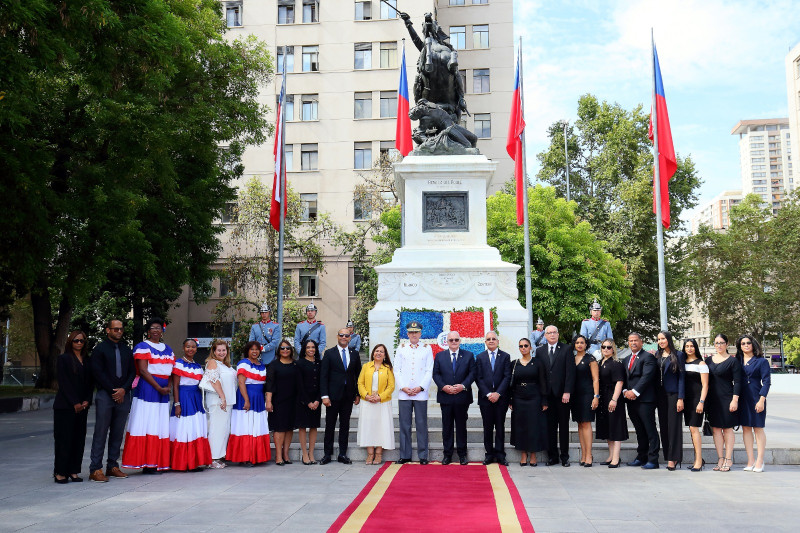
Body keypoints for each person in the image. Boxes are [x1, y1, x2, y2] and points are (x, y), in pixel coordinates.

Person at [122, 318, 175, 474]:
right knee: (146, 423)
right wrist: (159, 387)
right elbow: (144, 371)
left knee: (159, 424)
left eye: (159, 328)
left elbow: (171, 371)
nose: (156, 330)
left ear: (162, 331)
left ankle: (157, 461)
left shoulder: (168, 349)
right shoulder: (142, 347)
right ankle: (145, 462)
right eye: (153, 328)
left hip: (163, 390)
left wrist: (168, 386)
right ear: (148, 330)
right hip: (148, 389)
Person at [89, 319, 136, 482]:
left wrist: (124, 389)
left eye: (121, 329)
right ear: (108, 330)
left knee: (117, 431)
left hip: (123, 395)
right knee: (101, 432)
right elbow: (97, 372)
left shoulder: (126, 349)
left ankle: (112, 466)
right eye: (115, 329)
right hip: (105, 395)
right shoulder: (99, 349)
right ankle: (95, 469)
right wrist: (113, 390)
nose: (119, 332)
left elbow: (132, 372)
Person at [53, 330, 94, 483]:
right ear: (70, 342)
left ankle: (73, 470)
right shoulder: (63, 359)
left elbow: (91, 383)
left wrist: (86, 401)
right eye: (76, 340)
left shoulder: (87, 360)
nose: (78, 343)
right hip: (65, 406)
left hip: (83, 407)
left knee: (78, 439)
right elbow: (63, 382)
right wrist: (74, 402)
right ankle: (60, 472)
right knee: (64, 439)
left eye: (81, 341)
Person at [394, 320, 434, 464]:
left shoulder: (426, 348)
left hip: (420, 393)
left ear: (420, 333)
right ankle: (405, 455)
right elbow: (396, 370)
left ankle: (423, 455)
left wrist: (421, 387)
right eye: (411, 332)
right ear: (407, 333)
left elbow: (430, 369)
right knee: (404, 424)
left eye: (416, 332)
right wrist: (403, 387)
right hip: (404, 393)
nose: (414, 334)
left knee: (421, 424)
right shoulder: (401, 348)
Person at [432, 331, 475, 465]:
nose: (454, 342)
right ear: (447, 342)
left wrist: (463, 386)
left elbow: (472, 373)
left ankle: (462, 454)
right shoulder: (440, 356)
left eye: (456, 340)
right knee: (447, 427)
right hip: (446, 397)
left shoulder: (468, 355)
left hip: (462, 396)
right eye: (451, 340)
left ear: (460, 341)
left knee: (461, 427)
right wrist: (443, 386)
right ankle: (447, 455)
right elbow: (436, 374)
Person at [320, 328, 362, 464]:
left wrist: (357, 394)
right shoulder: (329, 353)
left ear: (350, 338)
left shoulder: (354, 354)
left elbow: (358, 376)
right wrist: (324, 395)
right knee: (330, 425)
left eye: (347, 335)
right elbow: (324, 376)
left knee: (345, 425)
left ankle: (342, 454)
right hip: (332, 396)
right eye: (341, 335)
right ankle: (327, 454)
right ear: (337, 336)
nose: (344, 337)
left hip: (348, 396)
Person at [169, 339, 212, 471]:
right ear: (183, 348)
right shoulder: (178, 364)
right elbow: (175, 386)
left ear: (196, 349)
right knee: (184, 428)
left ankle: (193, 462)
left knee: (194, 429)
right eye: (188, 346)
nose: (190, 349)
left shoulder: (199, 366)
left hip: (196, 398)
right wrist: (177, 404)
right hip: (184, 397)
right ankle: (182, 463)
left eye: (193, 347)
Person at [227, 341, 271, 466]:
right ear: (247, 351)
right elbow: (241, 383)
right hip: (246, 396)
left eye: (257, 349)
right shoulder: (243, 364)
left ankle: (256, 456)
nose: (254, 351)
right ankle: (245, 457)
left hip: (258, 398)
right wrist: (246, 400)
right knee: (245, 426)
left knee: (256, 426)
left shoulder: (261, 365)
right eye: (252, 349)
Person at [535, 325, 574, 466]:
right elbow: (540, 374)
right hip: (547, 396)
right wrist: (541, 396)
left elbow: (570, 372)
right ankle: (552, 456)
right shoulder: (539, 351)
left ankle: (564, 457)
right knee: (549, 428)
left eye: (554, 332)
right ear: (545, 335)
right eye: (549, 333)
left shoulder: (566, 349)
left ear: (558, 334)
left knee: (563, 427)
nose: (552, 335)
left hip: (562, 395)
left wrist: (567, 391)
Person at [622, 332, 660, 469]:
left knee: (650, 430)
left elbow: (647, 377)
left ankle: (653, 459)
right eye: (630, 340)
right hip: (631, 400)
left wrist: (635, 392)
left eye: (636, 340)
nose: (633, 343)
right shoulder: (626, 360)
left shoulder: (648, 357)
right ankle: (641, 457)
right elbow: (625, 378)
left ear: (641, 342)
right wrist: (625, 391)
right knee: (639, 430)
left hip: (645, 400)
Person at [509, 338, 549, 467]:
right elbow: (511, 384)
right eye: (521, 346)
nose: (523, 348)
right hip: (518, 398)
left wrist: (544, 399)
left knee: (534, 426)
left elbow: (543, 382)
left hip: (534, 397)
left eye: (526, 345)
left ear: (531, 348)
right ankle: (523, 454)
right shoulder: (514, 363)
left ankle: (533, 454)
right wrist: (510, 399)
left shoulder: (538, 363)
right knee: (520, 426)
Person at [475, 331, 512, 466]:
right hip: (486, 400)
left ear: (498, 341)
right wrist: (489, 394)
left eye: (493, 339)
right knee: (488, 427)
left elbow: (507, 376)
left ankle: (501, 455)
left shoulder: (505, 357)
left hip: (501, 399)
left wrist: (498, 393)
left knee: (500, 427)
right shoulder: (480, 357)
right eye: (488, 339)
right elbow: (478, 378)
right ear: (485, 342)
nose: (491, 341)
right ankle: (489, 454)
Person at [706, 334, 741, 472]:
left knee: (727, 429)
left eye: (721, 343)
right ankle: (720, 458)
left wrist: (735, 399)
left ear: (727, 344)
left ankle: (728, 459)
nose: (719, 345)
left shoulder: (733, 361)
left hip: (727, 398)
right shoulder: (708, 360)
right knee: (715, 429)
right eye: (716, 343)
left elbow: (738, 382)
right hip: (712, 400)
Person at [357, 344, 396, 465]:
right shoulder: (366, 366)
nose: (378, 353)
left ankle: (378, 454)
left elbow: (391, 386)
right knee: (368, 427)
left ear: (385, 355)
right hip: (367, 402)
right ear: (373, 353)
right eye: (377, 351)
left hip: (382, 403)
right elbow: (360, 383)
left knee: (381, 428)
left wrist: (380, 397)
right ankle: (370, 454)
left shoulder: (388, 368)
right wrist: (366, 395)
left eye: (381, 351)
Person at [736, 334, 770, 472]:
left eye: (748, 343)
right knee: (745, 428)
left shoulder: (761, 361)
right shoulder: (737, 361)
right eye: (742, 343)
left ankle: (760, 461)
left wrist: (762, 400)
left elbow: (767, 382)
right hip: (742, 398)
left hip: (756, 398)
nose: (745, 345)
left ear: (753, 344)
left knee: (758, 428)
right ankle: (750, 460)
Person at [654, 331, 686, 471]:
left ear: (668, 340)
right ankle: (668, 456)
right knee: (664, 425)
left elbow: (682, 378)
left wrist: (680, 398)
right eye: (659, 339)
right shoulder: (657, 355)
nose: (661, 341)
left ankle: (674, 459)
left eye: (663, 339)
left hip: (674, 395)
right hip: (660, 395)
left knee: (674, 426)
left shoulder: (678, 355)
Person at [204, 339, 237, 469]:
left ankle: (218, 456)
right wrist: (222, 397)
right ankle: (212, 458)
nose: (222, 352)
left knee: (223, 430)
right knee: (216, 430)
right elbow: (214, 381)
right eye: (219, 350)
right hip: (218, 401)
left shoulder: (226, 365)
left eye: (224, 350)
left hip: (227, 402)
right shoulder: (212, 362)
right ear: (214, 351)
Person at [266, 340, 299, 465]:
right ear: (278, 351)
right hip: (278, 401)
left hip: (293, 400)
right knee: (279, 428)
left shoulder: (296, 364)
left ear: (291, 350)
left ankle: (286, 454)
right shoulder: (273, 365)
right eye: (282, 348)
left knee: (289, 427)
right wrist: (268, 401)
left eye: (287, 348)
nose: (285, 350)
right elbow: (269, 385)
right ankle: (278, 456)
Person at [596, 341, 627, 468]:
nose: (606, 349)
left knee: (615, 427)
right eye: (604, 347)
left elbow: (619, 382)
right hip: (603, 396)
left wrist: (614, 399)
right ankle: (610, 456)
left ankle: (616, 458)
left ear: (613, 349)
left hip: (612, 396)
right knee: (607, 426)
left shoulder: (616, 364)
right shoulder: (600, 362)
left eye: (609, 347)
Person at [570, 335, 599, 467]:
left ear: (586, 344)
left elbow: (595, 379)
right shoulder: (571, 358)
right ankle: (583, 454)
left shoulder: (590, 359)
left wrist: (596, 396)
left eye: (582, 343)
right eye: (577, 343)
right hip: (575, 395)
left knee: (586, 423)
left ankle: (589, 455)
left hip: (587, 394)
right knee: (580, 424)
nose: (579, 345)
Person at [682, 339, 708, 471]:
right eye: (687, 346)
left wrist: (701, 402)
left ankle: (699, 460)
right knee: (691, 430)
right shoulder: (682, 362)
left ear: (695, 347)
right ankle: (697, 459)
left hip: (696, 400)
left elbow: (705, 385)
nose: (689, 348)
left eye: (692, 346)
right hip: (685, 400)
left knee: (694, 428)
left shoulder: (701, 363)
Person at [296, 340, 322, 465]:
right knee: (303, 426)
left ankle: (311, 453)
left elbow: (322, 382)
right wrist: (308, 402)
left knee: (313, 426)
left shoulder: (319, 363)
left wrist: (317, 400)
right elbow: (299, 385)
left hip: (316, 399)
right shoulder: (299, 363)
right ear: (304, 349)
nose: (311, 349)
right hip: (303, 400)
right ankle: (304, 454)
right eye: (308, 347)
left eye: (313, 347)